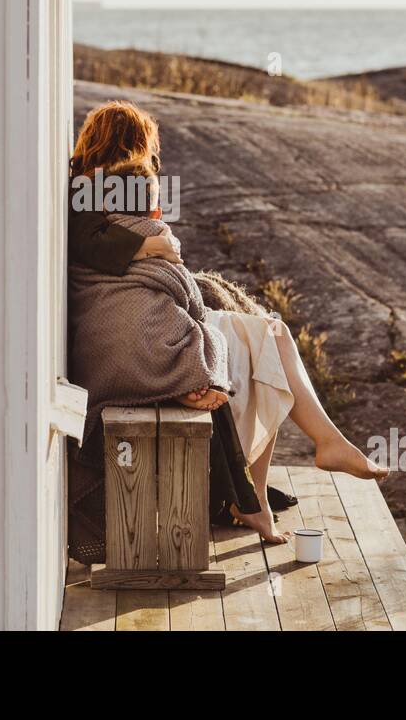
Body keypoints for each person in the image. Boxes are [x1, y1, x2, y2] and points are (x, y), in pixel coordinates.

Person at [66, 100, 387, 545]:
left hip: (134, 324)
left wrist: (157, 250)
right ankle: (266, 487)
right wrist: (156, 248)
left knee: (270, 337)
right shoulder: (108, 185)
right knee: (268, 344)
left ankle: (290, 470)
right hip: (139, 338)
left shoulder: (83, 186)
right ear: (137, 144)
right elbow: (111, 248)